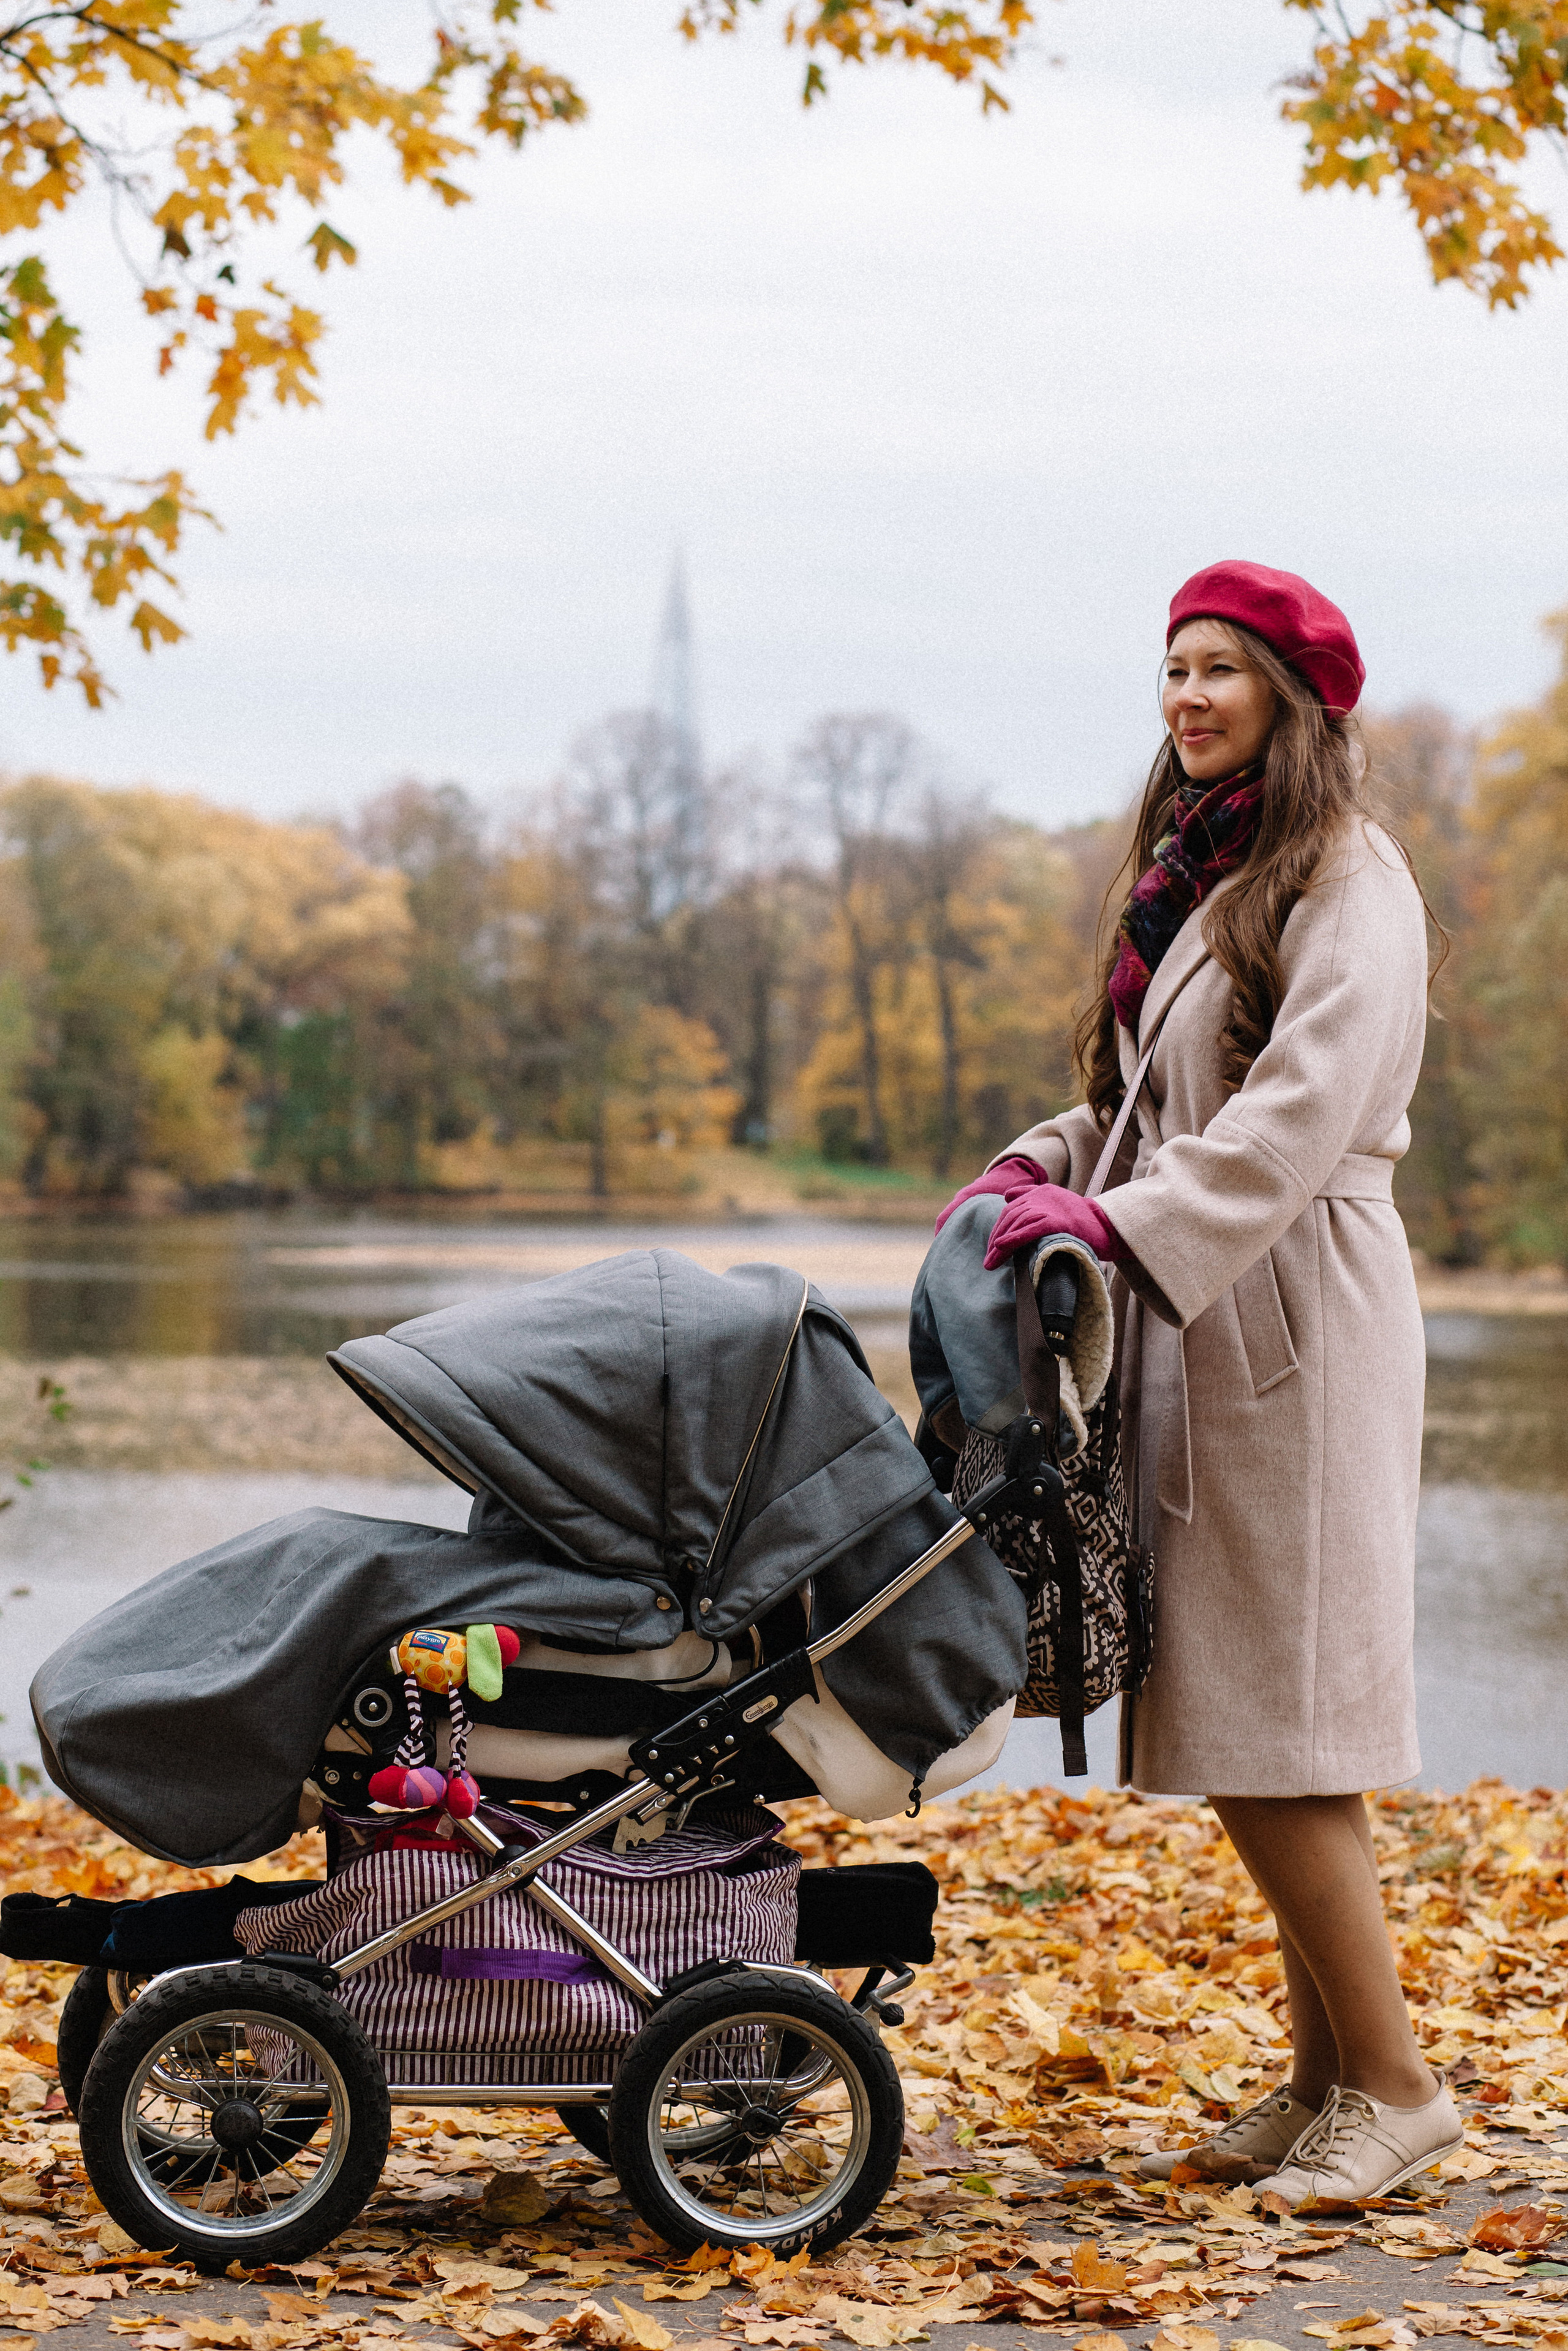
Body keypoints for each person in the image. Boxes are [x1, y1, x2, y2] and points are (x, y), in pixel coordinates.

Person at [937, 560, 1461, 2206]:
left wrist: (1119, 1222)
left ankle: (1396, 2087)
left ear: (1297, 698)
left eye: (1221, 667)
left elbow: (1293, 1121)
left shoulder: (1347, 883)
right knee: (1270, 1712)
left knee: (1277, 1719)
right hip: (1212, 1309)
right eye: (1173, 666)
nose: (1187, 695)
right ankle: (1324, 2085)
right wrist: (1034, 1176)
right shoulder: (1210, 880)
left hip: (1294, 1318)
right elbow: (1149, 1110)